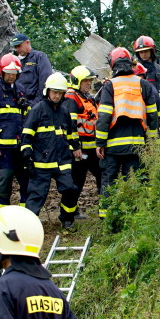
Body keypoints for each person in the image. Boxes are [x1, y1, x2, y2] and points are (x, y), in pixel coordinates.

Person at [94, 48, 160, 219]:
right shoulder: (143, 85)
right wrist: (152, 141)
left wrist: (100, 143)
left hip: (113, 145)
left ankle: (107, 219)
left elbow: (104, 117)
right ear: (131, 63)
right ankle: (134, 218)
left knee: (109, 181)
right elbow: (153, 116)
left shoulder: (110, 86)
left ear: (113, 64)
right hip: (136, 144)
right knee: (134, 181)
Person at [21, 73, 82, 230]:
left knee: (70, 189)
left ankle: (67, 220)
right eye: (54, 92)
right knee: (36, 195)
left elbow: (71, 133)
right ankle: (28, 226)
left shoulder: (64, 112)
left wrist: (76, 148)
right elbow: (26, 136)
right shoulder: (37, 110)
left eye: (60, 92)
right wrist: (27, 157)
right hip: (42, 162)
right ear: (47, 91)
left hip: (62, 161)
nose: (57, 95)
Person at [0, 54, 29, 209]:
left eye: (14, 73)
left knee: (25, 181)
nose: (11, 76)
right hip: (2, 149)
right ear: (2, 72)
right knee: (3, 181)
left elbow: (26, 116)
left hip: (20, 147)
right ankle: (0, 215)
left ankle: (24, 214)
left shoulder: (20, 90)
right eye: (8, 73)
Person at [63, 66, 102, 215]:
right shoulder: (72, 97)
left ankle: (105, 208)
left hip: (91, 149)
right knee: (76, 182)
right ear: (77, 81)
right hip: (80, 150)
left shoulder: (86, 97)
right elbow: (71, 125)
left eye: (90, 80)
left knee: (101, 175)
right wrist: (75, 147)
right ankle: (67, 215)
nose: (89, 83)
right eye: (86, 80)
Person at [133, 35, 160, 127]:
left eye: (146, 51)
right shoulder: (134, 70)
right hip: (141, 114)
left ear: (152, 51)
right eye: (140, 52)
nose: (143, 54)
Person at [11, 33, 54, 107]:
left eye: (19, 46)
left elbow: (45, 80)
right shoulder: (15, 61)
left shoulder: (39, 57)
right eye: (15, 47)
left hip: (34, 103)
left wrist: (36, 103)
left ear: (27, 43)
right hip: (19, 103)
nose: (17, 49)